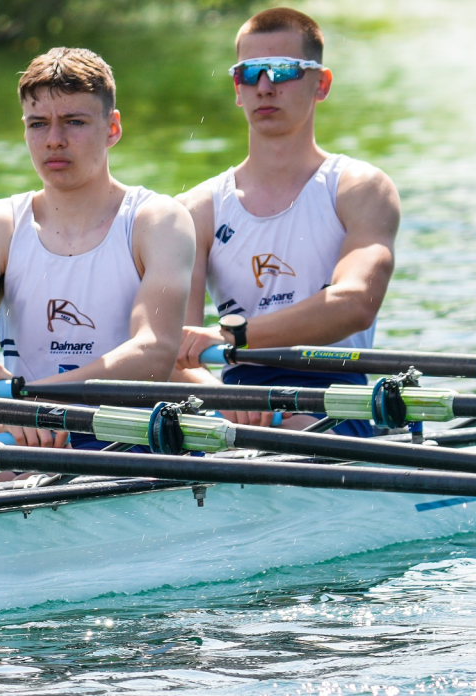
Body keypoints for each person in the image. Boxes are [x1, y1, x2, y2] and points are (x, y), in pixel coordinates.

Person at [173, 8, 400, 436]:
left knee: (297, 429)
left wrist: (233, 337)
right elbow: (175, 346)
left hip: (335, 398)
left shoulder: (359, 188)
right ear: (236, 88)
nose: (264, 86)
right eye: (249, 72)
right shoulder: (196, 209)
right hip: (235, 399)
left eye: (282, 71)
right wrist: (221, 399)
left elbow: (354, 303)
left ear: (322, 83)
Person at [0, 47, 196, 449]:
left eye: (74, 122)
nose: (54, 140)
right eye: (38, 124)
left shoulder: (156, 221)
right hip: (24, 434)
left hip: (123, 439)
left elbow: (155, 354)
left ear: (112, 128)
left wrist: (32, 396)